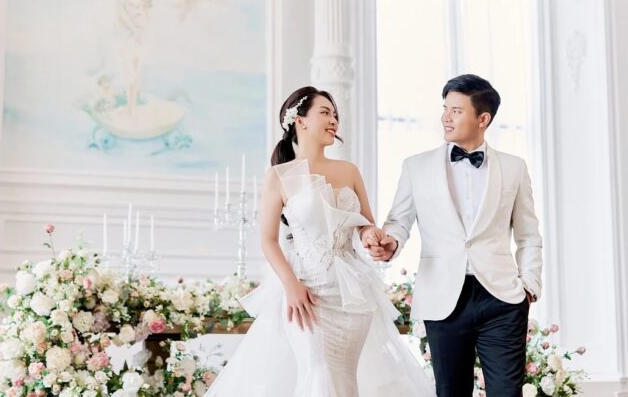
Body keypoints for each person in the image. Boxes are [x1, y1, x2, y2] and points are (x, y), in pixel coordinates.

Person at [204, 86, 435, 397]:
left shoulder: (348, 170)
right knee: (319, 372)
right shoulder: (279, 176)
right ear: (299, 120)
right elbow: (268, 240)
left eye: (335, 115)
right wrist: (290, 285)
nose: (334, 120)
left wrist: (373, 238)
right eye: (325, 112)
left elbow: (365, 225)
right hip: (308, 293)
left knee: (344, 377)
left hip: (352, 293)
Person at [368, 74, 543, 397]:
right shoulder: (416, 167)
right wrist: (390, 242)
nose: (445, 117)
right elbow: (398, 221)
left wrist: (529, 285)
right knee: (451, 392)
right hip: (443, 297)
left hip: (502, 299)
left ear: (483, 118)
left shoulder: (514, 168)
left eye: (456, 110)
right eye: (445, 108)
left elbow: (529, 234)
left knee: (507, 392)